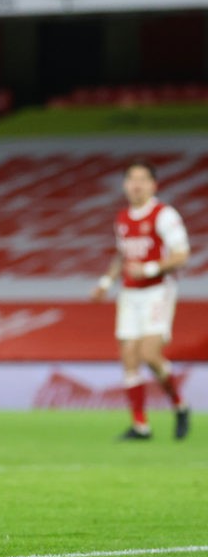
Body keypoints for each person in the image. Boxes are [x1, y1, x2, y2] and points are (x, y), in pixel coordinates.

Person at [90, 159, 191, 440]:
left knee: (150, 354)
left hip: (158, 290)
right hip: (129, 293)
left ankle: (180, 405)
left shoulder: (164, 214)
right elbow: (122, 254)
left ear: (153, 184)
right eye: (131, 179)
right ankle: (140, 425)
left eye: (142, 179)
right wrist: (105, 282)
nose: (136, 184)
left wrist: (149, 268)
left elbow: (182, 254)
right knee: (129, 358)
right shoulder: (122, 217)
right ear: (124, 185)